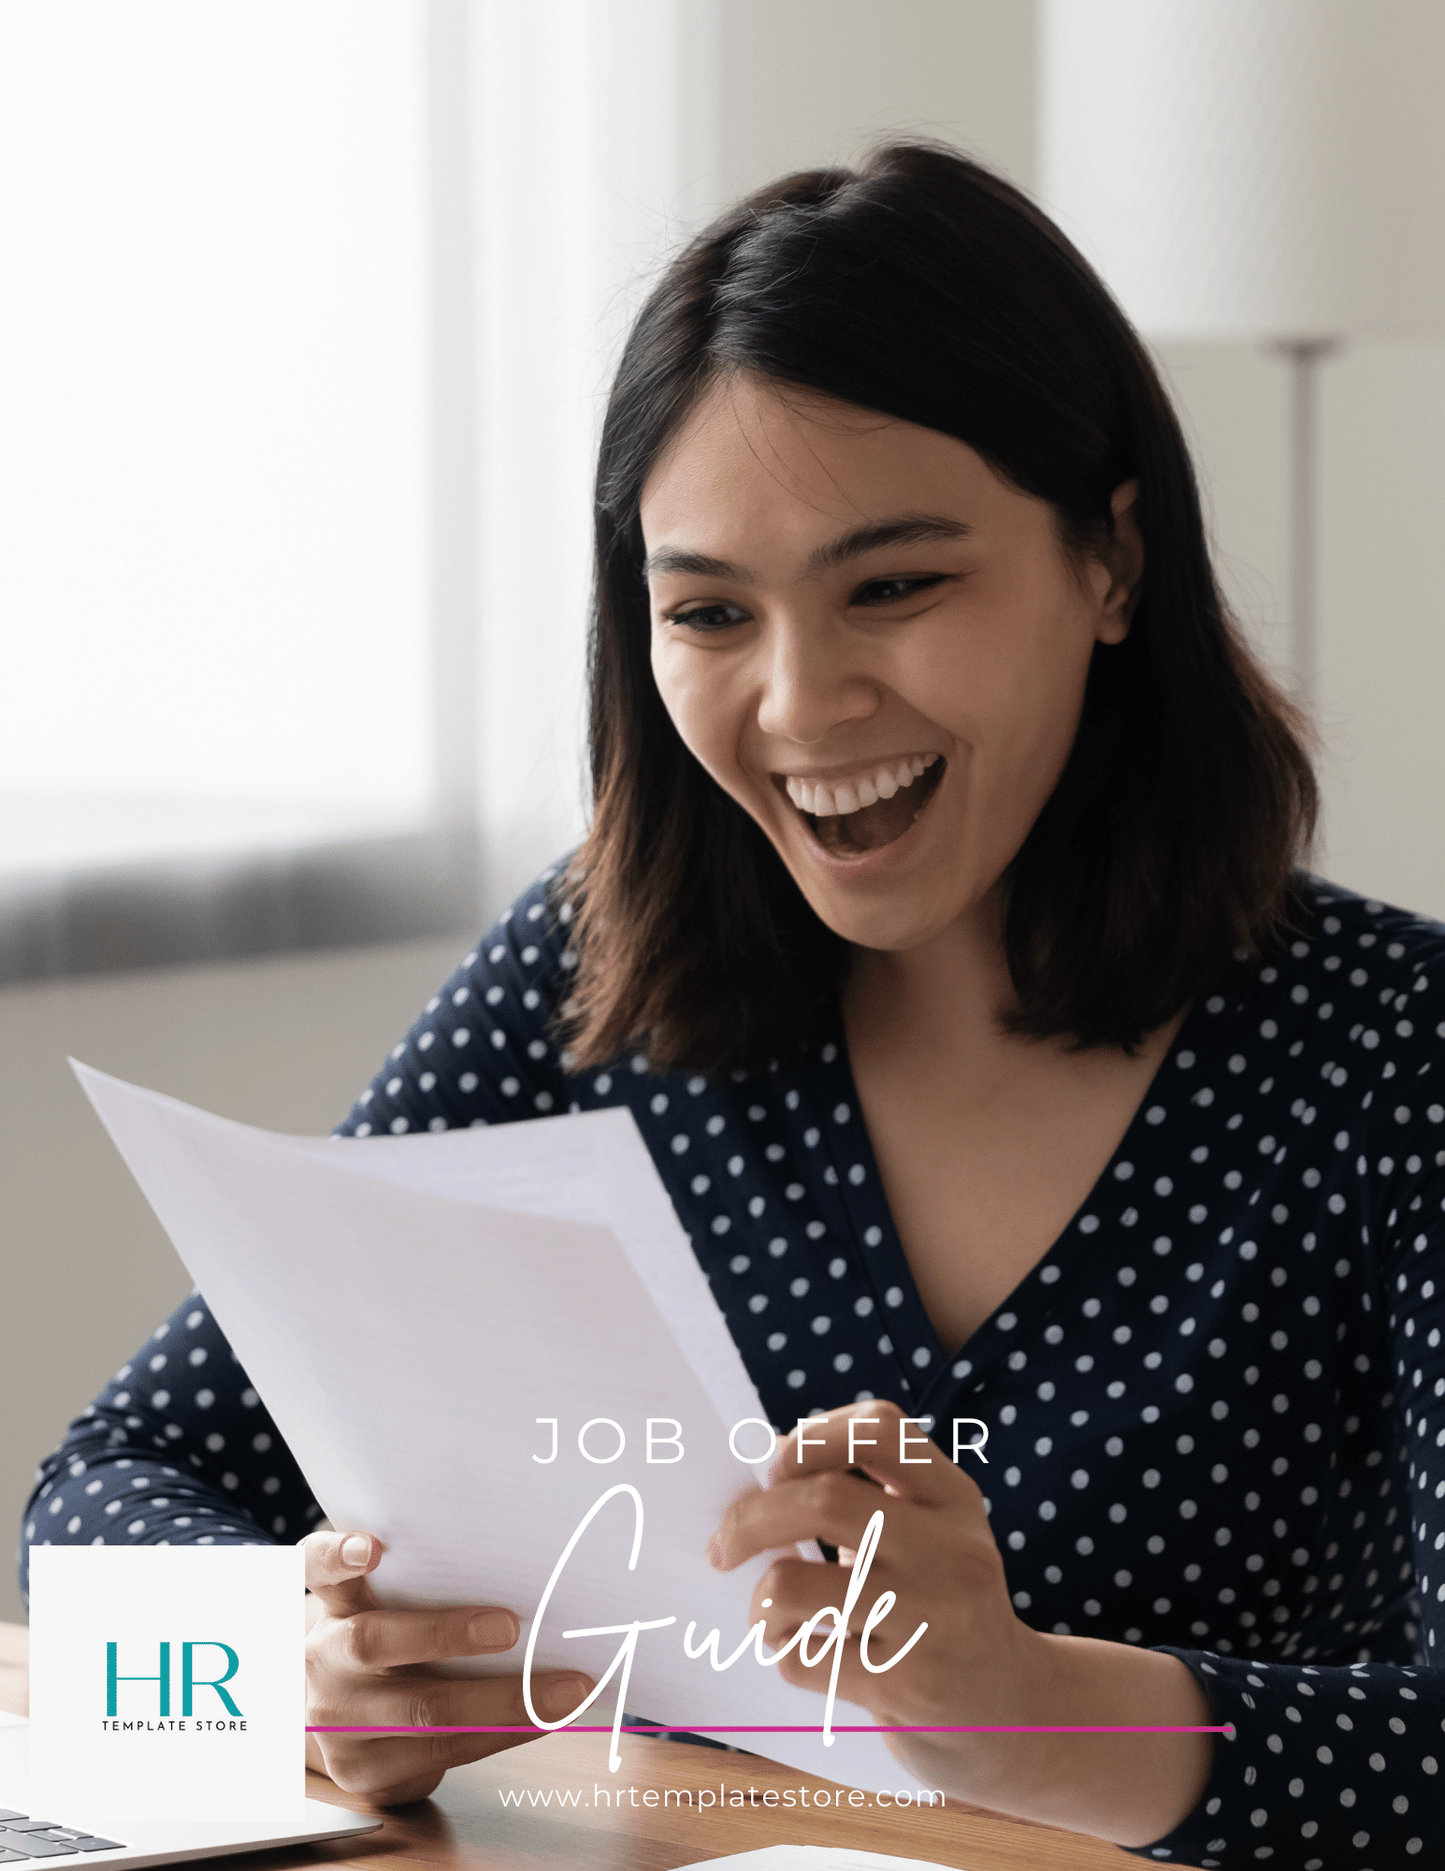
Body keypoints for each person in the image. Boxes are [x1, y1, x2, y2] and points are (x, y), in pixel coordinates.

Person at [21, 141, 1445, 1868]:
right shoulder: (590, 994)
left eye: (896, 584)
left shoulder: (1392, 1055)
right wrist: (277, 1683)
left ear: (1114, 561)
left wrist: (1024, 1706)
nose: (800, 701)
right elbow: (90, 1507)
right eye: (708, 609)